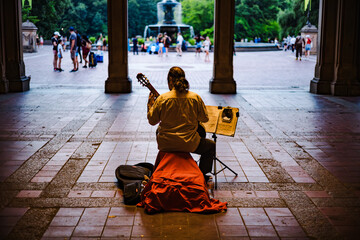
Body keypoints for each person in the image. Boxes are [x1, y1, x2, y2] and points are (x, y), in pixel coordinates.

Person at [147, 66, 215, 180]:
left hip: (166, 144)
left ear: (170, 80)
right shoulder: (195, 97)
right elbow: (205, 119)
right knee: (211, 146)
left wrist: (150, 105)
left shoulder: (162, 98)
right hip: (189, 143)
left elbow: (152, 121)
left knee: (158, 130)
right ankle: (202, 175)